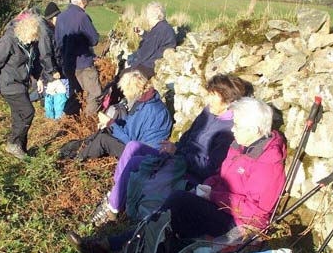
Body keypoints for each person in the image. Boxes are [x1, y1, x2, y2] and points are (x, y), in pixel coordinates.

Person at [69, 97, 286, 253]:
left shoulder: (268, 164)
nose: (233, 129)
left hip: (236, 223)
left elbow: (258, 213)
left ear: (255, 129)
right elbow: (221, 177)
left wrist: (213, 194)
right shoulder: (240, 146)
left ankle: (117, 251)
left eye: (237, 125)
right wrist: (209, 185)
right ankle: (116, 249)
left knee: (176, 204)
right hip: (218, 206)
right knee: (170, 213)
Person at [88, 74, 248, 227]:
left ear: (228, 101)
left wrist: (177, 152)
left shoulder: (230, 131)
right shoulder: (209, 111)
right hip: (177, 156)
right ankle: (115, 198)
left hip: (189, 170)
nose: (209, 99)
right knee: (133, 148)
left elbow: (208, 168)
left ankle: (114, 208)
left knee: (136, 162)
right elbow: (188, 135)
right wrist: (175, 147)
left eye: (214, 95)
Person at [76, 70, 172, 160]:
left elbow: (129, 141)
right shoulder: (148, 101)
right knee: (106, 130)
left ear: (133, 89)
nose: (124, 93)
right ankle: (79, 147)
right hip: (144, 148)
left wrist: (110, 123)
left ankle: (78, 159)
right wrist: (112, 124)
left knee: (103, 140)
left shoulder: (147, 109)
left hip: (144, 155)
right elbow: (131, 127)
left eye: (125, 90)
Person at [0, 15, 42, 160]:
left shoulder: (30, 43)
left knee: (19, 117)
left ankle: (22, 149)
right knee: (28, 112)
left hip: (22, 84)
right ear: (23, 31)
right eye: (30, 37)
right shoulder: (8, 41)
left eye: (34, 38)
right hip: (9, 85)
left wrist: (39, 78)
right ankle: (13, 143)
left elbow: (33, 63)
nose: (32, 40)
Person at [54, 0, 102, 116]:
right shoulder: (82, 17)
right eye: (87, 0)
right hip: (84, 64)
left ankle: (69, 119)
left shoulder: (60, 17)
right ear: (83, 1)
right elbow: (94, 40)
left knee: (75, 93)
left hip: (67, 64)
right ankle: (89, 120)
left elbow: (57, 42)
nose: (88, 3)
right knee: (95, 92)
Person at [129, 1, 177, 79]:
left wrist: (133, 62)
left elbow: (147, 51)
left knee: (123, 77)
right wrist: (143, 33)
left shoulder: (160, 29)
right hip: (152, 64)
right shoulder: (163, 27)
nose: (147, 18)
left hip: (150, 66)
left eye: (148, 15)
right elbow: (154, 41)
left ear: (156, 16)